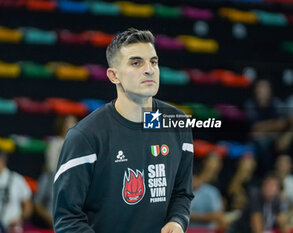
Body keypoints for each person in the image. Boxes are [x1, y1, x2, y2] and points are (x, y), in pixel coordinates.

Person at [52, 28, 194, 233]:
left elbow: (182, 193)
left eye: (153, 62)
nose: (149, 69)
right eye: (136, 63)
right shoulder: (86, 136)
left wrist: (177, 221)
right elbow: (67, 219)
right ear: (113, 75)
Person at [33, 115, 78, 228]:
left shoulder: (79, 143)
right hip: (56, 177)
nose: (71, 125)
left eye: (73, 122)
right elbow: (52, 165)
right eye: (68, 123)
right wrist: (50, 217)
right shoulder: (55, 143)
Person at [0, 149, 32, 232]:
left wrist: (19, 219)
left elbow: (27, 206)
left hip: (12, 228)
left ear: (2, 160)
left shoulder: (16, 179)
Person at [190, 158, 225, 229]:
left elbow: (218, 215)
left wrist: (193, 216)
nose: (193, 181)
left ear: (198, 177)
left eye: (194, 178)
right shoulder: (181, 191)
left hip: (205, 230)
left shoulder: (211, 192)